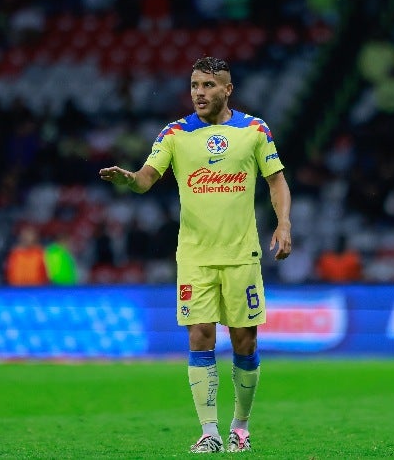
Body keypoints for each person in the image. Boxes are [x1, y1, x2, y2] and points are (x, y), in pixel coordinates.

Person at [100, 56, 292, 453]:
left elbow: (277, 181)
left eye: (208, 85)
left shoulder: (254, 130)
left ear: (227, 89)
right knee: (200, 336)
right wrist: (128, 180)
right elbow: (146, 179)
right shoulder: (174, 133)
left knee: (245, 341)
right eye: (194, 85)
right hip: (194, 256)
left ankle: (240, 425)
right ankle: (210, 431)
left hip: (241, 254)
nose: (199, 93)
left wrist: (284, 223)